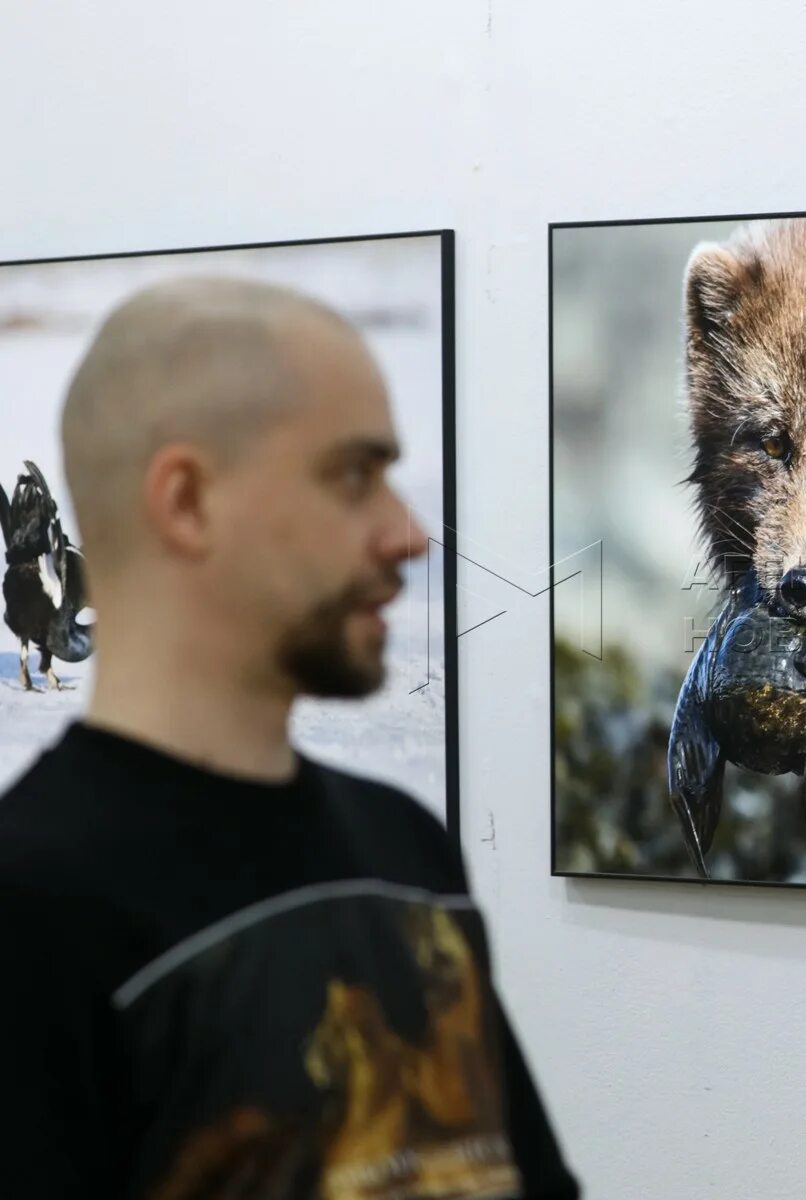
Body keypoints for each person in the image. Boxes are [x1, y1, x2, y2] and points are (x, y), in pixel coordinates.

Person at [0, 277, 580, 1198]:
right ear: (187, 502)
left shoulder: (403, 851)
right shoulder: (32, 908)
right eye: (354, 475)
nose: (408, 533)